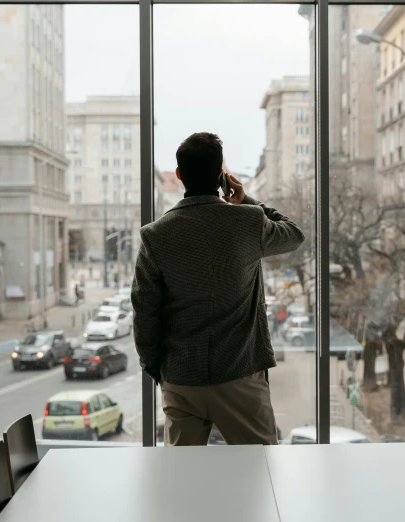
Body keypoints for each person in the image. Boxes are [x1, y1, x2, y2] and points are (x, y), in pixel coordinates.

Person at [131, 132, 305, 446]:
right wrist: (248, 201)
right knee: (259, 471)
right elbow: (294, 234)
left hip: (181, 377)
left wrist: (155, 367)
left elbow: (144, 311)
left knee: (183, 479)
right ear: (220, 176)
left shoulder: (155, 236)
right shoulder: (248, 222)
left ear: (180, 175)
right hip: (240, 374)